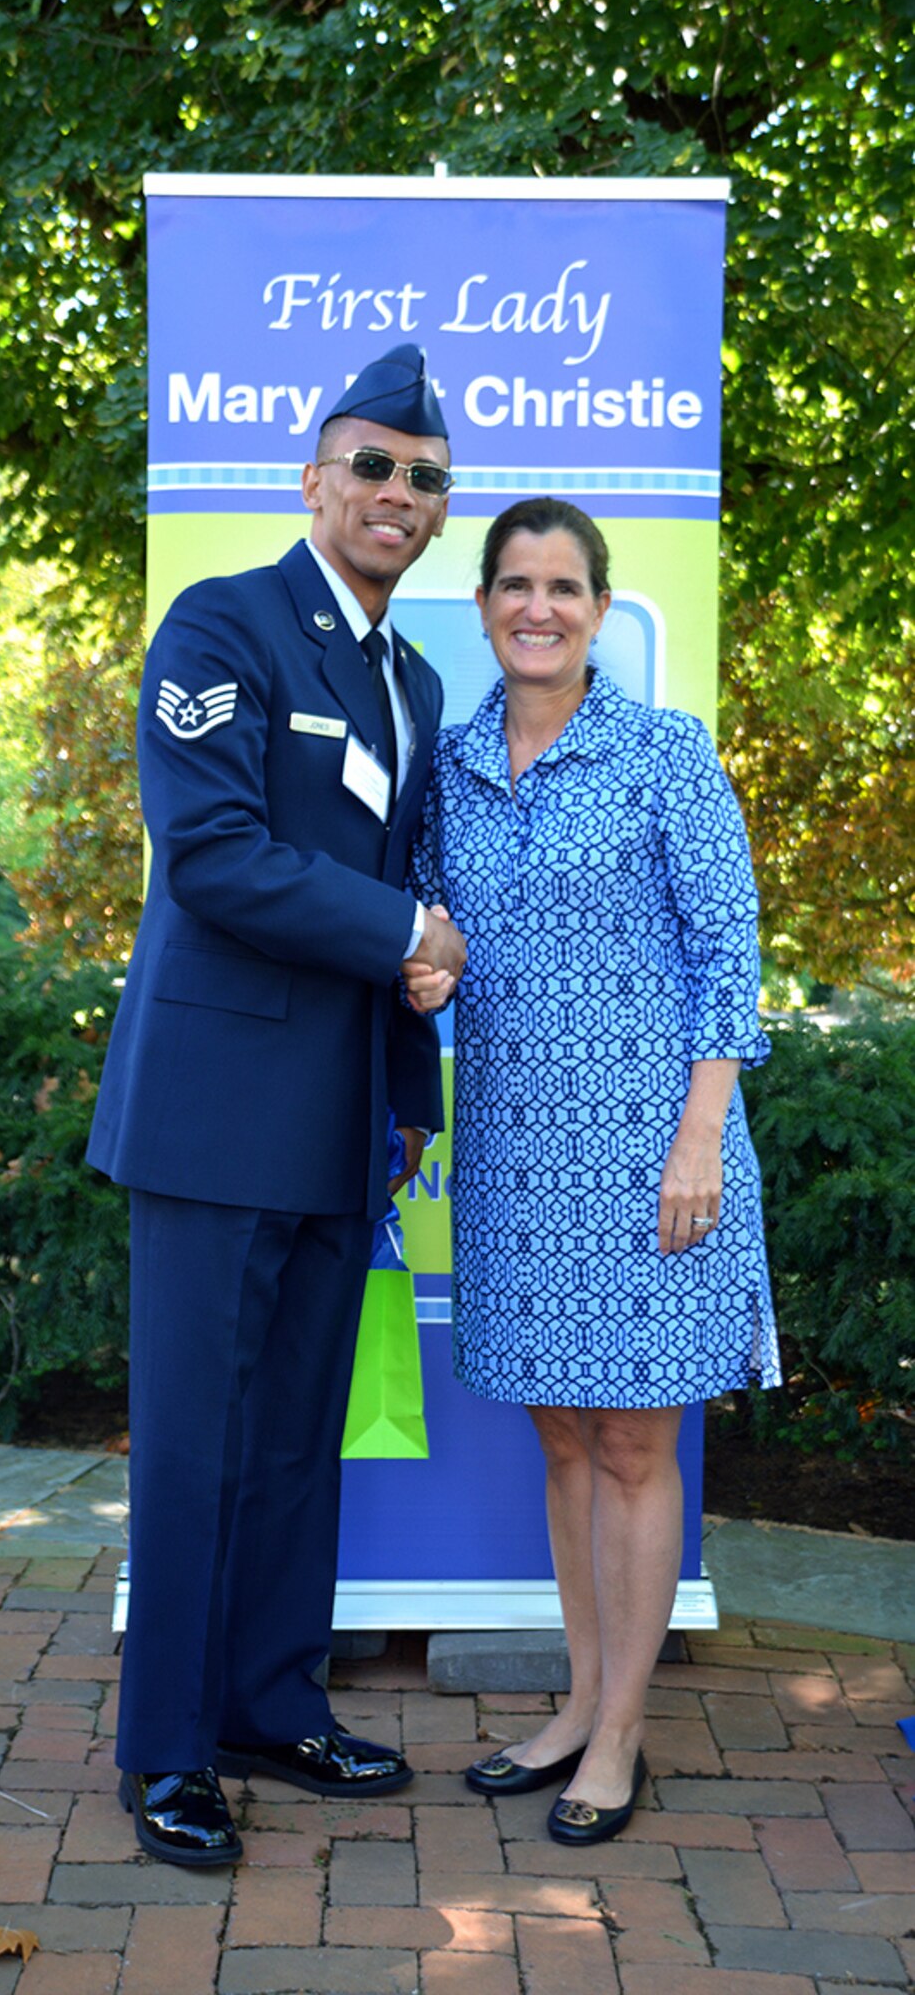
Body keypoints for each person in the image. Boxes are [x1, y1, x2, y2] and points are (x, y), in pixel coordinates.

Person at [88, 344, 466, 1867]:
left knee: (302, 1436)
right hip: (208, 1113)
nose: (398, 493)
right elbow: (220, 857)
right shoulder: (222, 624)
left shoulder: (418, 677)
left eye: (426, 478)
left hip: (338, 1124)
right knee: (194, 1441)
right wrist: (405, 941)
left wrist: (408, 1084)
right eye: (372, 465)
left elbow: (403, 894)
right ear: (314, 480)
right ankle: (169, 1754)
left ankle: (267, 1702)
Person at [404, 497, 779, 1847]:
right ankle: (576, 1700)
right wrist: (428, 960)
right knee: (562, 1430)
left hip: (650, 1155)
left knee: (633, 1437)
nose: (539, 606)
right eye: (515, 583)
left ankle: (621, 1731)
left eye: (565, 585)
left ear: (601, 609)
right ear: (487, 605)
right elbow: (443, 940)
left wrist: (698, 1140)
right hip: (514, 1154)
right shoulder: (451, 768)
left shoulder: (668, 755)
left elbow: (729, 967)